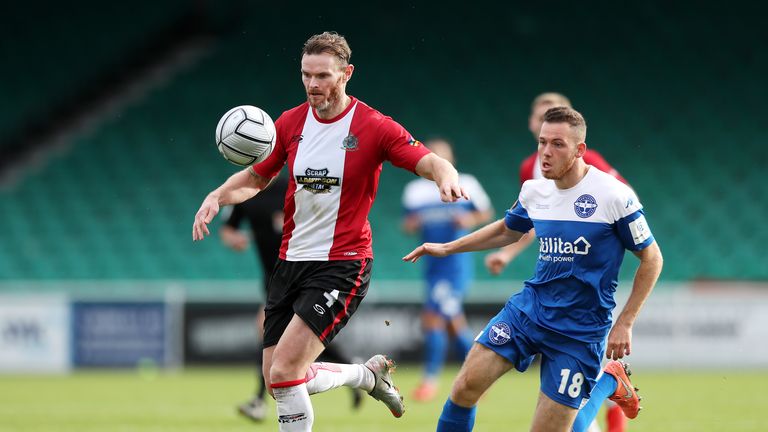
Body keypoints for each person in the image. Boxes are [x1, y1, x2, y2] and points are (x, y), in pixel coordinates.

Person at [193, 31, 468, 431]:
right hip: (289, 263)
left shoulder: (374, 126)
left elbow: (427, 159)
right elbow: (256, 177)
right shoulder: (289, 123)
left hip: (343, 264)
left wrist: (446, 175)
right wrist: (217, 196)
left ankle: (365, 377)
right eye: (306, 75)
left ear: (346, 74)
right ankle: (365, 376)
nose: (312, 84)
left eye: (322, 75)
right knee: (277, 379)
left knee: (286, 372)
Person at [403, 106, 663, 432]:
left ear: (580, 150)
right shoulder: (534, 189)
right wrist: (447, 247)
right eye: (542, 142)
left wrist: (625, 322)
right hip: (528, 312)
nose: (545, 152)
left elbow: (652, 258)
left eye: (557, 144)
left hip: (579, 330)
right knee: (465, 387)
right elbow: (506, 230)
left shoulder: (613, 195)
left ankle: (607, 382)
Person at [485, 93, 630, 432]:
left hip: (592, 277)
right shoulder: (531, 169)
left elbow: (618, 200)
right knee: (567, 400)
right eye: (538, 118)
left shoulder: (587, 159)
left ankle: (612, 394)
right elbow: (534, 221)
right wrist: (507, 253)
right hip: (557, 282)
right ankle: (610, 390)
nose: (541, 122)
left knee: (587, 374)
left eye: (547, 116)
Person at [220, 176, 363, 422]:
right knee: (292, 340)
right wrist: (233, 238)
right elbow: (228, 227)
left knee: (281, 337)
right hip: (274, 277)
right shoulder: (248, 190)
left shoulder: (295, 185)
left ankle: (257, 400)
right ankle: (353, 368)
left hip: (305, 271)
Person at [401, 139, 493, 402]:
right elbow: (407, 225)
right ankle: (480, 377)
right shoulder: (416, 190)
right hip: (431, 266)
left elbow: (486, 214)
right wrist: (414, 223)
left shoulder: (467, 183)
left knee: (434, 320)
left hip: (455, 265)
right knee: (452, 325)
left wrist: (468, 219)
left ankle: (430, 381)